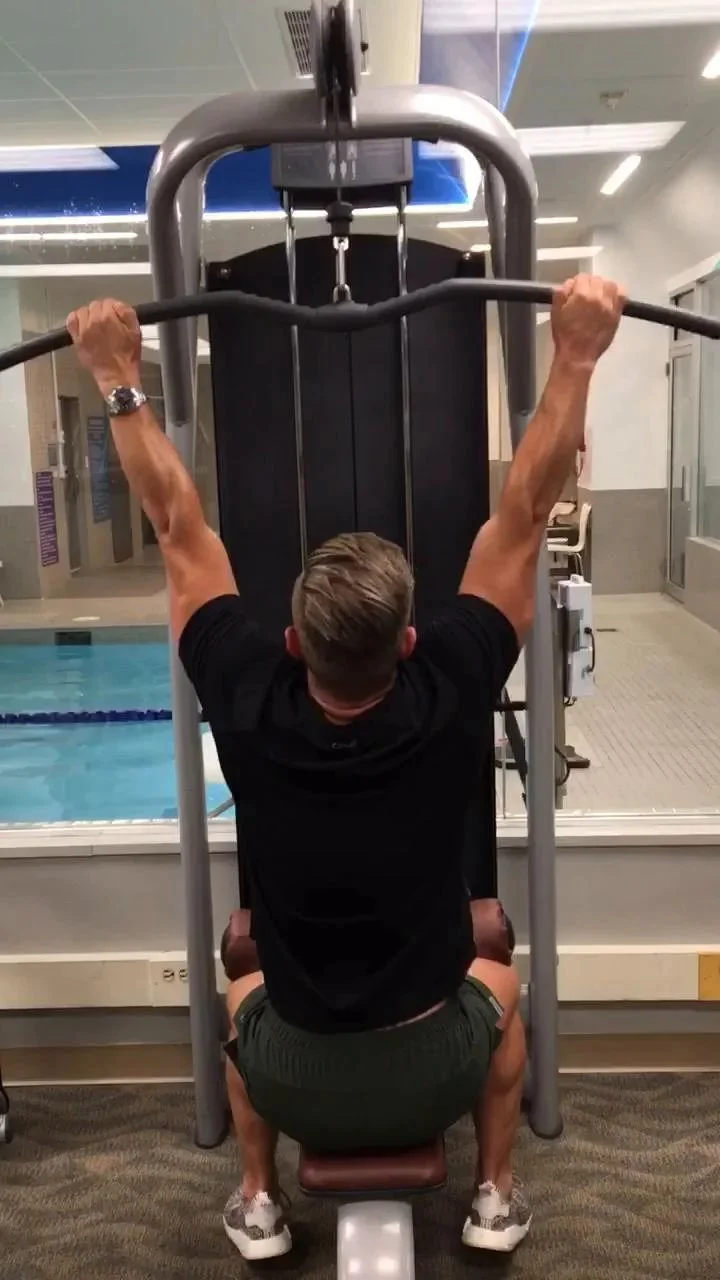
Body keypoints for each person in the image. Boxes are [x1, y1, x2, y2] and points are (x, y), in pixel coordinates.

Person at [67, 273, 625, 1261]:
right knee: (505, 986)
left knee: (241, 997)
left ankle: (257, 1197)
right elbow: (524, 512)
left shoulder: (246, 693)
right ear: (410, 638)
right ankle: (495, 1191)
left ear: (290, 639)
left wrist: (118, 376)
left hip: (294, 1069)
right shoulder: (451, 683)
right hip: (436, 1062)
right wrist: (575, 355)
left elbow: (177, 527)